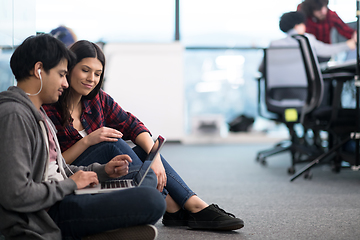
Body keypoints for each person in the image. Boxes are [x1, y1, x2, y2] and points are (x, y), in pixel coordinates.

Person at [43, 40, 245, 231]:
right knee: (110, 143)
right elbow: (52, 164)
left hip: (102, 168)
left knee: (141, 149)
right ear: (69, 68)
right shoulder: (50, 107)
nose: (91, 79)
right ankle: (181, 207)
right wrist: (87, 141)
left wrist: (154, 157)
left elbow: (134, 125)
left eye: (97, 73)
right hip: (70, 172)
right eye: (85, 70)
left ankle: (188, 205)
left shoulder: (98, 100)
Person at [0, 34, 166, 240]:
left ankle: (97, 230)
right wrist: (71, 185)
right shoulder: (14, 115)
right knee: (152, 200)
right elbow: (14, 195)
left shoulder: (38, 114)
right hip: (47, 213)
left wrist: (102, 172)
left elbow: (60, 169)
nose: (65, 83)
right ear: (39, 70)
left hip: (63, 195)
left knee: (147, 183)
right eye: (62, 74)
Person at [259, 11, 356, 74]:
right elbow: (327, 50)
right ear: (297, 26)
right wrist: (348, 45)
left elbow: (261, 69)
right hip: (304, 91)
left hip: (277, 92)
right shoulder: (306, 40)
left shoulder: (274, 45)